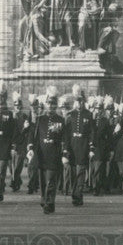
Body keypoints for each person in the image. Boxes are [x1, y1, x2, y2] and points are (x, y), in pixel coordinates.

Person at [28, 86, 64, 214]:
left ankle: (49, 202)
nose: (51, 106)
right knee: (43, 181)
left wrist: (64, 153)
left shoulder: (61, 120)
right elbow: (33, 136)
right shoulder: (40, 120)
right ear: (46, 104)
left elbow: (63, 139)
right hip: (42, 154)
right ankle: (45, 199)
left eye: (54, 104)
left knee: (51, 180)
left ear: (56, 105)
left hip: (54, 154)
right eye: (49, 103)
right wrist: (31, 148)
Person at [63, 84, 94, 207]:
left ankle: (77, 195)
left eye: (81, 101)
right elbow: (66, 134)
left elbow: (92, 132)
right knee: (72, 173)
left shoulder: (88, 115)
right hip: (72, 147)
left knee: (81, 172)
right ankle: (75, 193)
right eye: (77, 101)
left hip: (83, 147)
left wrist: (91, 148)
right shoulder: (70, 115)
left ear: (83, 102)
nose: (79, 104)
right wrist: (65, 149)